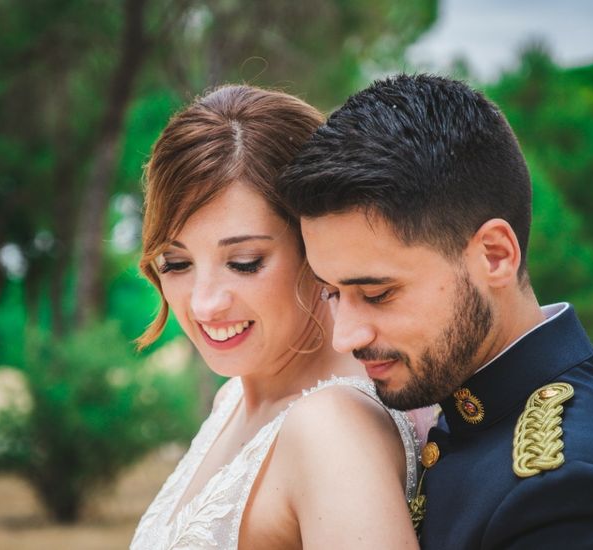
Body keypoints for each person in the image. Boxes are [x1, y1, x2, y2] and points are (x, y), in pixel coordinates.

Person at [277, 74, 593, 549]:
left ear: (495, 256)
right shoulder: (465, 415)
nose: (346, 336)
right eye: (332, 293)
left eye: (378, 293)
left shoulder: (574, 493)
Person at [129, 84, 425, 549]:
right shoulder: (233, 398)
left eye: (244, 262)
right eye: (176, 263)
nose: (205, 304)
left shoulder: (333, 429)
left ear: (315, 251)